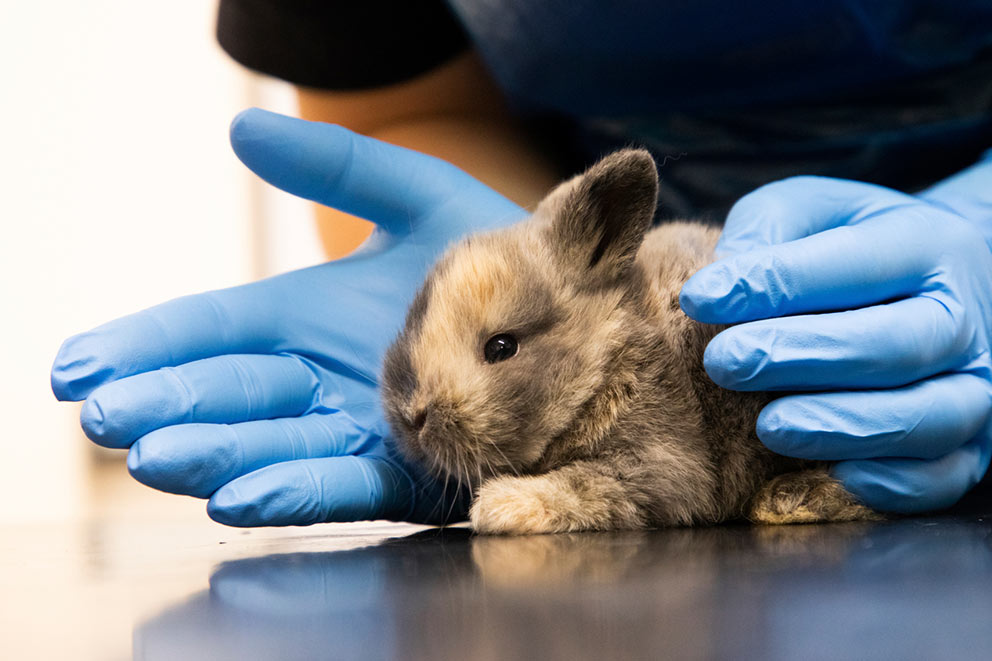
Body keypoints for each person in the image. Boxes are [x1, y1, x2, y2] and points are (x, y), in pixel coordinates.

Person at [51, 2, 992, 526]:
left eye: (500, 347)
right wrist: (502, 253)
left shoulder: (640, 370)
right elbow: (401, 101)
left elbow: (664, 472)